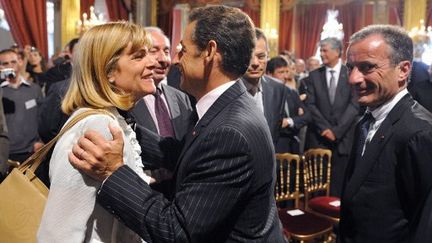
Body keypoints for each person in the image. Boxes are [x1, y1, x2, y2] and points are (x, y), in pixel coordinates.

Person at [69, 5, 284, 242]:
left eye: (182, 50)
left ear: (209, 52)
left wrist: (113, 172)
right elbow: (186, 154)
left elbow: (175, 231)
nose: (173, 59)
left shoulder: (229, 131)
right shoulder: (230, 105)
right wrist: (125, 130)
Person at [37, 22, 156, 243]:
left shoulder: (111, 118)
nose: (153, 62)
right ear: (109, 71)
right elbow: (58, 233)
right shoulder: (97, 125)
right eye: (139, 56)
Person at [340, 24, 432, 242]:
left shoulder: (419, 132)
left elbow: (424, 225)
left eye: (367, 67)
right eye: (350, 67)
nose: (353, 78)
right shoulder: (365, 119)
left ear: (403, 70)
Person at [129, 26, 194, 196]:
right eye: (154, 51)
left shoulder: (181, 97)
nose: (163, 59)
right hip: (140, 194)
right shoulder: (126, 99)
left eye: (166, 51)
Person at [304, 37, 359, 197]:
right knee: (317, 187)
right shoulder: (313, 76)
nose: (321, 54)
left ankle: (337, 221)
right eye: (320, 50)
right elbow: (311, 105)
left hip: (343, 140)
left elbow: (354, 105)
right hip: (319, 139)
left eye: (324, 50)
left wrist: (336, 131)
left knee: (339, 186)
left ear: (337, 52)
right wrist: (326, 129)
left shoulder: (351, 73)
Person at [0, 49, 44, 163]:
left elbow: (42, 117)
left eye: (13, 62)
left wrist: (40, 140)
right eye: (5, 63)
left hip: (31, 152)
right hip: (5, 154)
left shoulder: (34, 89)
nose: (10, 66)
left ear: (20, 62)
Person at [266, 55, 311, 153]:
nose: (285, 76)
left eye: (286, 72)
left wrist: (289, 121)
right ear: (269, 74)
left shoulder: (292, 93)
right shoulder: (264, 95)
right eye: (281, 72)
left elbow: (308, 116)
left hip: (292, 148)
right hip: (274, 148)